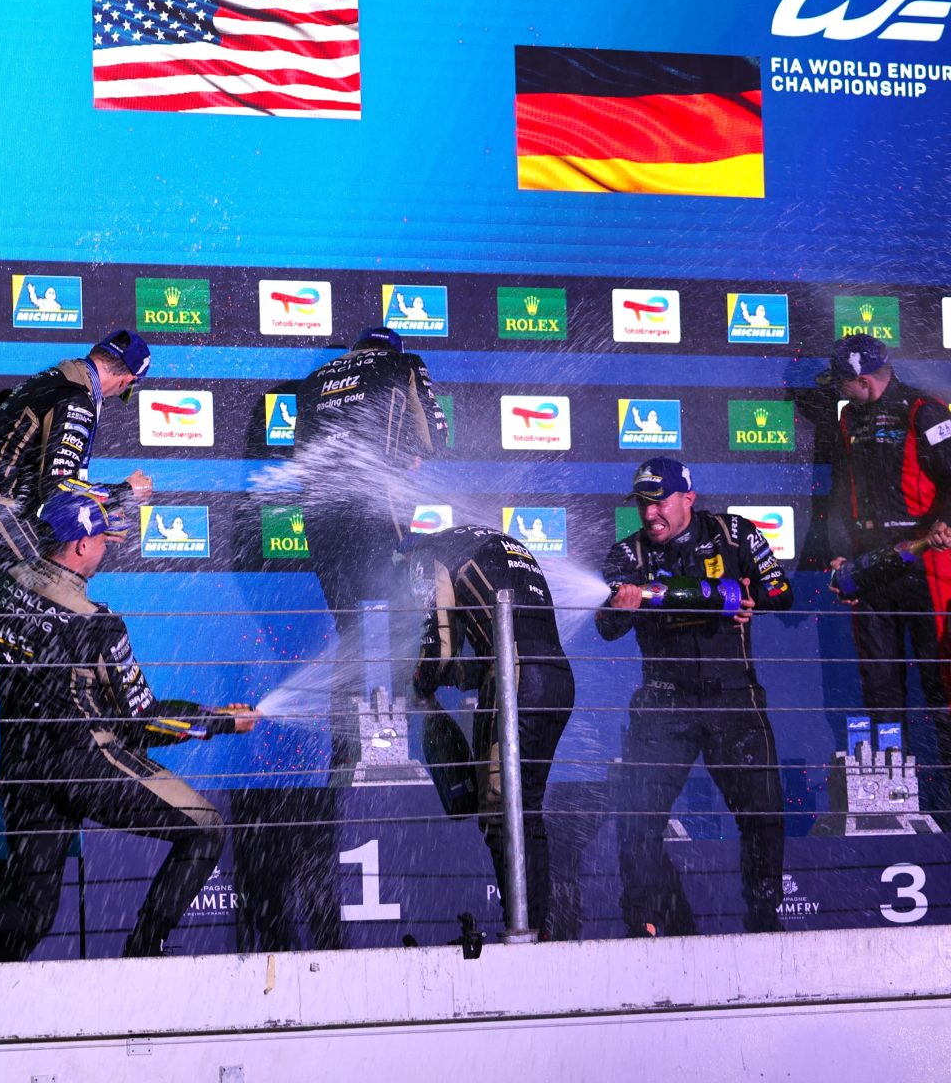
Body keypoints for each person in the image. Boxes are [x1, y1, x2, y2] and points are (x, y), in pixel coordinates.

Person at [0, 490, 259, 960]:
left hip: (21, 773)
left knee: (30, 914)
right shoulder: (96, 623)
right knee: (206, 827)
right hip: (84, 768)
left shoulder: (7, 584)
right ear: (80, 545)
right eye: (102, 538)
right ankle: (144, 949)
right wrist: (221, 722)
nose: (107, 546)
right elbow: (142, 722)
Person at [599, 458, 793, 934]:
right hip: (663, 704)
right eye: (642, 504)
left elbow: (782, 592)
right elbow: (606, 627)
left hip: (735, 697)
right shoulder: (627, 555)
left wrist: (753, 599)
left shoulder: (735, 534)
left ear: (688, 498)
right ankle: (653, 923)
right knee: (639, 821)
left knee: (763, 816)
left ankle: (764, 919)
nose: (650, 514)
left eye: (659, 502)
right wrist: (621, 606)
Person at [821, 332, 951, 817]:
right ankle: (892, 808)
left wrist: (943, 525)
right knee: (881, 690)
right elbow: (840, 493)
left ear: (863, 380)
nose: (838, 390)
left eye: (842, 382)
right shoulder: (848, 419)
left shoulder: (925, 411)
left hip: (924, 566)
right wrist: (839, 553)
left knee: (945, 687)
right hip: (871, 569)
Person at [404, 523, 575, 936]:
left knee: (502, 812)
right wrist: (462, 675)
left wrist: (421, 684)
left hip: (516, 678)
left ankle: (523, 932)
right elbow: (501, 635)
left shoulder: (428, 555)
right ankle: (537, 929)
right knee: (525, 806)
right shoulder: (493, 543)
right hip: (556, 677)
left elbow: (441, 649)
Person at [294, 325, 448, 776]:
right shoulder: (402, 363)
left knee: (352, 633)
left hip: (321, 515)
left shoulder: (314, 380)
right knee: (404, 621)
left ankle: (345, 756)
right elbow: (433, 437)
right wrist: (408, 451)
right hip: (376, 505)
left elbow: (302, 462)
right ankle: (394, 750)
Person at [0, 330, 153, 591]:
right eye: (126, 391)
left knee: (23, 609)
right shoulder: (75, 397)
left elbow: (41, 480)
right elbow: (58, 487)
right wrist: (124, 492)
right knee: (52, 597)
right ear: (126, 381)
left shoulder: (58, 380)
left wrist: (100, 515)